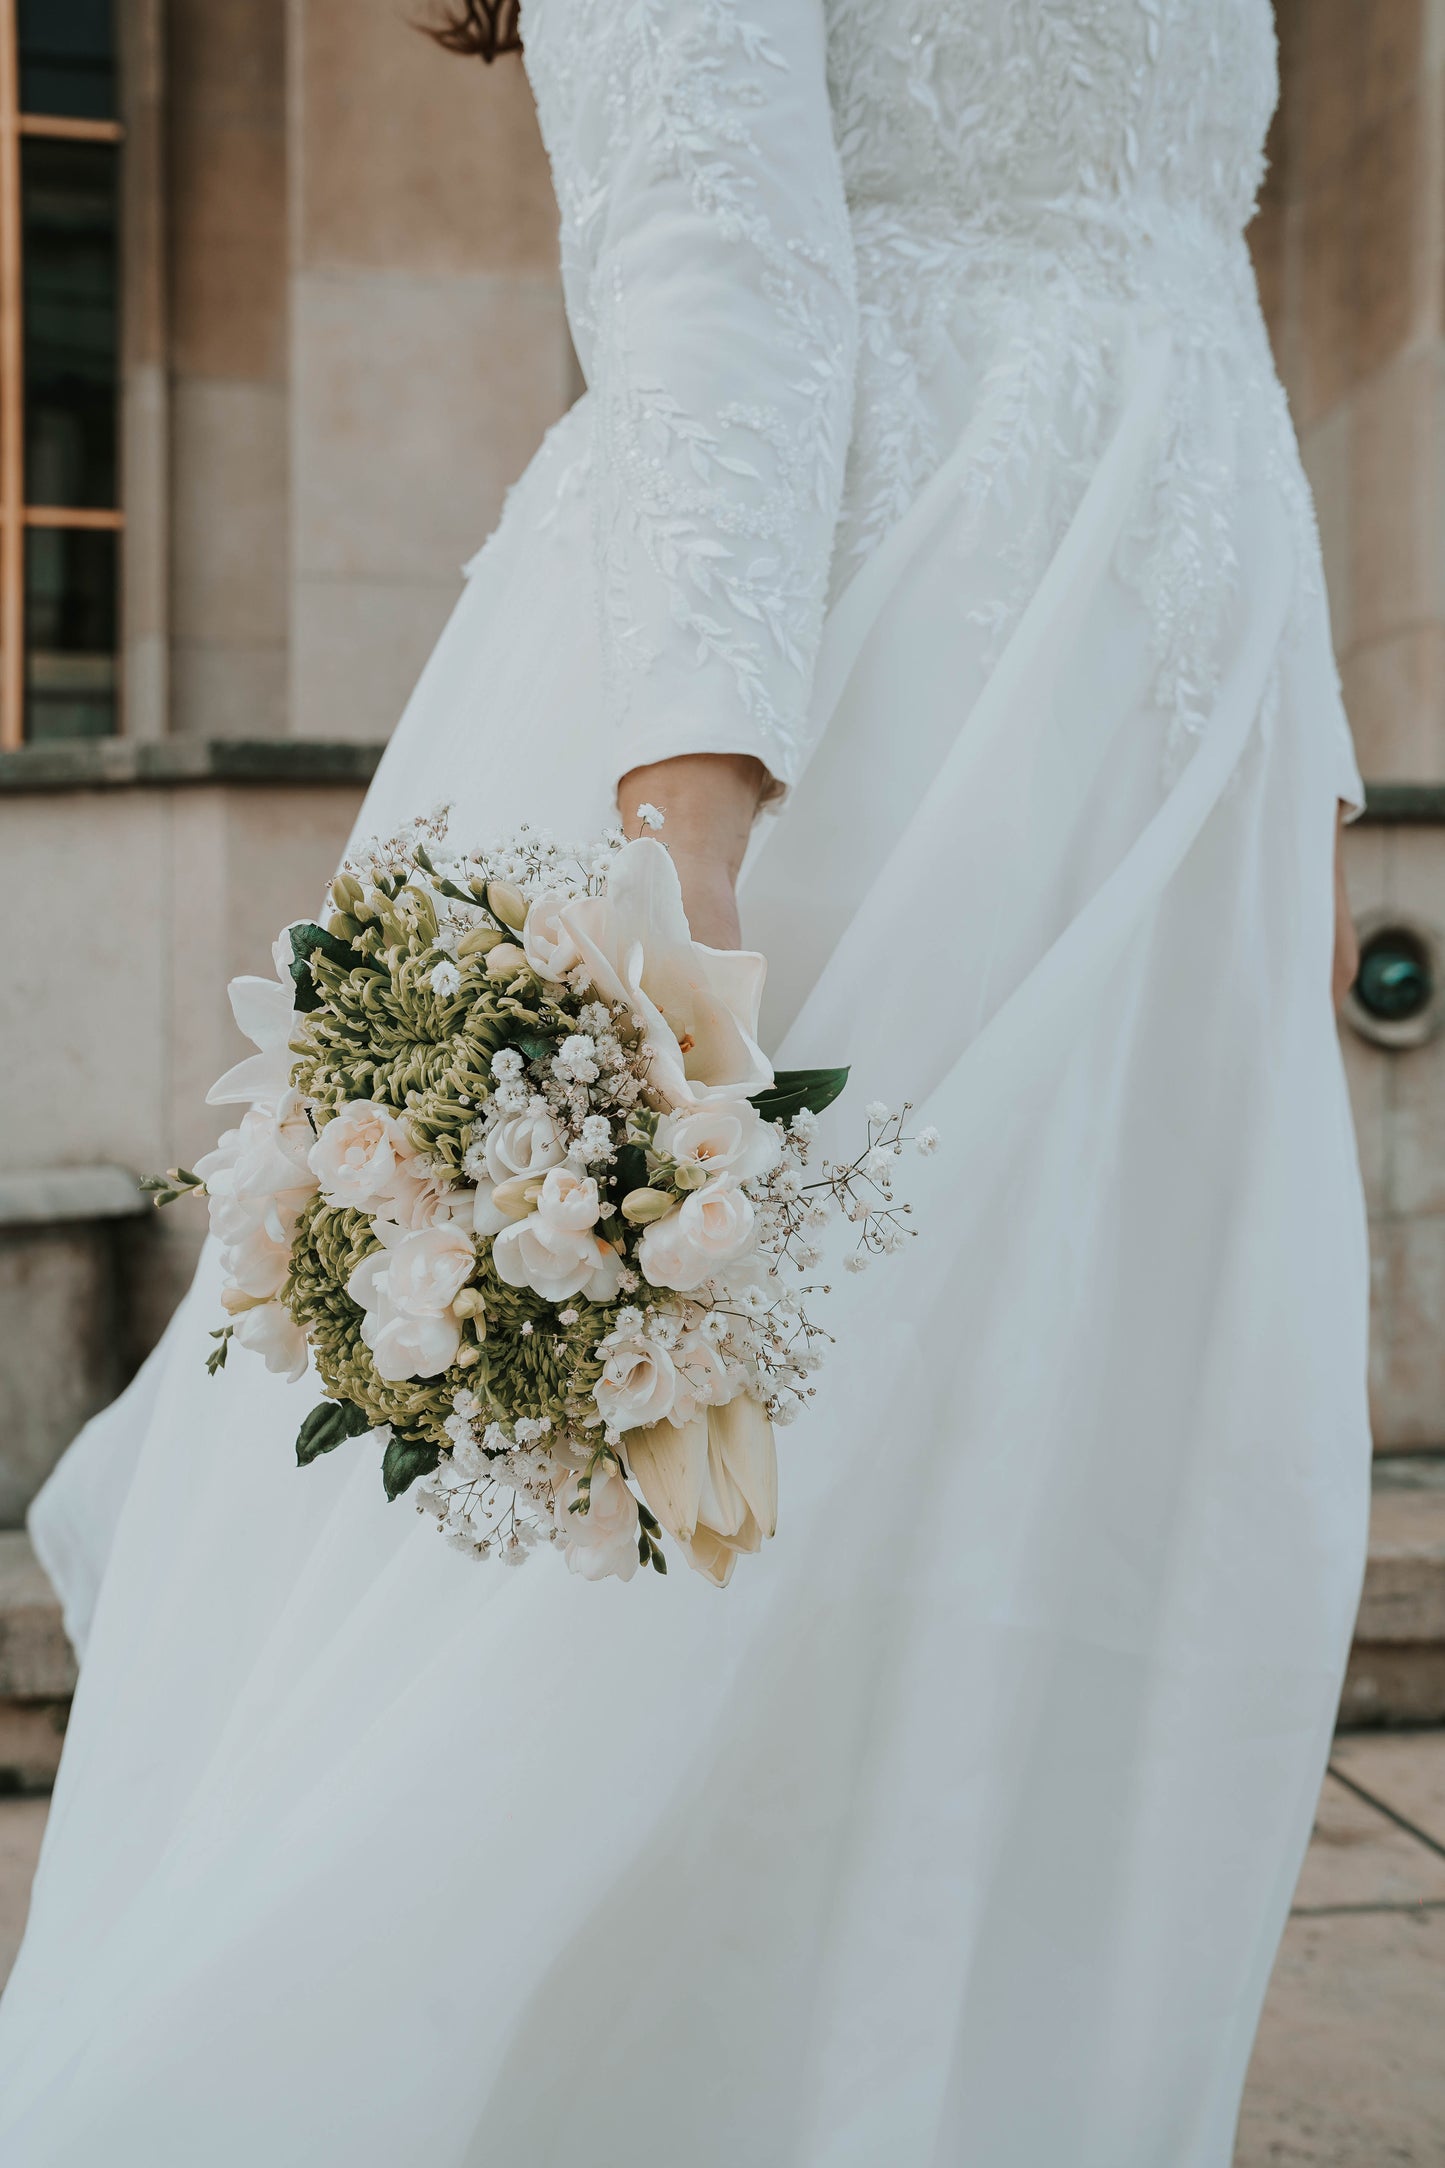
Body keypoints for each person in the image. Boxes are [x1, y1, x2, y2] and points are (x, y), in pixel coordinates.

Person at [0, 3, 1371, 2162]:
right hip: (881, 719)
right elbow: (709, 241)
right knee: (701, 1613)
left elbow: (1199, 270)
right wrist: (686, 868)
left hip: (1161, 743)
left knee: (1131, 1533)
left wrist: (1298, 787)